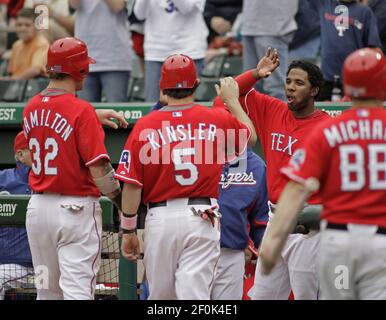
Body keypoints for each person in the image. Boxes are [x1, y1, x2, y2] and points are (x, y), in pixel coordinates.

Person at [116, 54, 257, 300]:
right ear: (196, 83)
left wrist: (128, 231)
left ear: (162, 87)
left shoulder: (145, 125)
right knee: (194, 295)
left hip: (160, 218)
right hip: (201, 217)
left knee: (161, 298)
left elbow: (132, 186)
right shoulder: (216, 119)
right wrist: (232, 102)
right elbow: (251, 137)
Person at [259, 48, 386, 300]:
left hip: (339, 240)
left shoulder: (329, 130)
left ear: (348, 85)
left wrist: (272, 243)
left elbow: (296, 189)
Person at [214, 48, 330, 300]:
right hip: (275, 222)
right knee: (262, 295)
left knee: (307, 296)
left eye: (299, 83)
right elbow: (230, 92)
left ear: (314, 91)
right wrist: (256, 73)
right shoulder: (273, 109)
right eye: (288, 81)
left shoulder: (326, 128)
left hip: (307, 229)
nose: (290, 87)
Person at [22, 37, 123, 300]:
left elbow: (56, 115)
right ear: (81, 70)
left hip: (38, 210)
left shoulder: (30, 107)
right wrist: (121, 201)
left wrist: (90, 113)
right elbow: (99, 168)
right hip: (74, 212)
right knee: (77, 293)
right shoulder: (81, 111)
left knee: (47, 294)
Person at [211, 148, 269, 300]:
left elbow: (262, 219)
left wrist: (254, 248)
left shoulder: (255, 165)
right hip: (193, 248)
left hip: (232, 251)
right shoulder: (194, 153)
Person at [133, 0, 209, 102]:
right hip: (156, 51)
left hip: (188, 49)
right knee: (153, 105)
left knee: (185, 105)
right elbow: (139, 14)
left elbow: (186, 8)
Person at [309, 0, 382, 100]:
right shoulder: (325, 3)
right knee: (323, 111)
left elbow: (374, 48)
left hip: (355, 78)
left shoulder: (365, 12)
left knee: (350, 111)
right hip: (327, 77)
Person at [69, 0, 131, 102]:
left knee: (117, 112)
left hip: (114, 58)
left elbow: (118, 6)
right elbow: (74, 4)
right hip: (84, 56)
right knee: (86, 112)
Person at [241, 0, 299, 101]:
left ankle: (282, 117)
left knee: (276, 87)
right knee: (250, 86)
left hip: (275, 26)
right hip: (249, 25)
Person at [0, 132, 33, 300]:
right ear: (20, 155)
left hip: (34, 268)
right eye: (34, 148)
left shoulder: (50, 181)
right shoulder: (3, 179)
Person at [6, 8, 50, 80]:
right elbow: (10, 72)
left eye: (27, 25)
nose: (23, 28)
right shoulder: (16, 45)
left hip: (33, 87)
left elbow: (35, 70)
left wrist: (12, 81)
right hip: (17, 86)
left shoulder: (42, 44)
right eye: (19, 25)